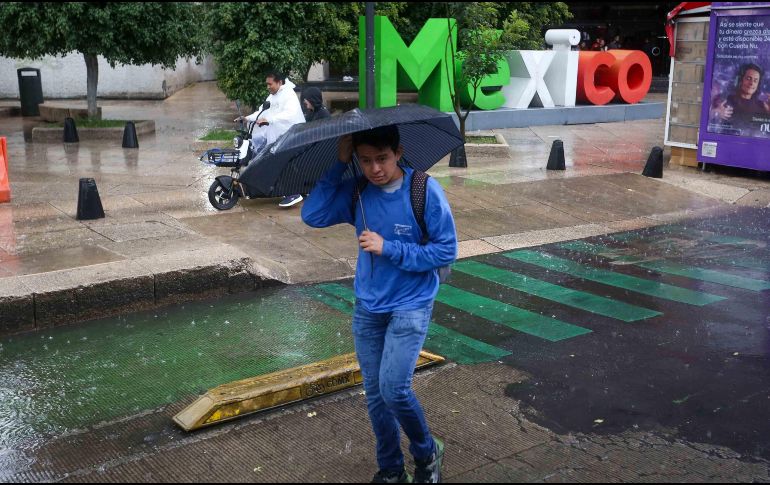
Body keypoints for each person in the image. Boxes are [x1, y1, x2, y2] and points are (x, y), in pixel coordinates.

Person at [301, 125, 457, 483]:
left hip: (411, 304)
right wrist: (339, 165)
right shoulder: (357, 190)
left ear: (398, 153)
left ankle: (426, 452)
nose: (375, 169)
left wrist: (390, 247)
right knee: (375, 395)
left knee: (394, 389)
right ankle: (390, 468)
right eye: (365, 160)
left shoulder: (423, 191)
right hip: (369, 306)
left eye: (382, 159)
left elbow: (446, 250)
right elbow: (312, 215)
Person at [235, 70, 306, 207]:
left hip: (291, 137)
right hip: (277, 137)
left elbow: (289, 115)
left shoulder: (288, 95)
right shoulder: (272, 96)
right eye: (266, 84)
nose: (268, 87)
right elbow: (262, 111)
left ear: (279, 82)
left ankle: (293, 194)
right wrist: (247, 118)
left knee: (279, 163)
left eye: (270, 84)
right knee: (261, 157)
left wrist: (269, 119)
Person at [710, 63, 770, 134]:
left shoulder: (763, 106)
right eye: (748, 78)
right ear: (740, 80)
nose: (751, 83)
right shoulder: (725, 100)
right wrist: (715, 112)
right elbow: (707, 120)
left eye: (755, 81)